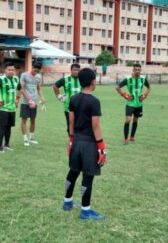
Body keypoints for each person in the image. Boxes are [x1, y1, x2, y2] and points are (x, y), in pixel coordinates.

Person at [62, 68, 107, 220]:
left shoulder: (73, 99)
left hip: (76, 142)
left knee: (73, 171)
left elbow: (71, 122)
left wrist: (70, 140)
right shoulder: (94, 102)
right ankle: (85, 211)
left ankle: (67, 202)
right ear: (93, 82)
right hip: (89, 144)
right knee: (88, 175)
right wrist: (101, 148)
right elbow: (95, 126)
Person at [0, 62, 21, 153]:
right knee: (2, 127)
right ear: (5, 70)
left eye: (13, 70)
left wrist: (17, 99)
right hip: (3, 108)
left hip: (12, 108)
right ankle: (0, 146)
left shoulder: (16, 79)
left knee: (9, 127)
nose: (11, 71)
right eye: (9, 69)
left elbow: (20, 89)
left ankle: (7, 144)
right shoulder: (1, 79)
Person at [115, 64, 151, 144]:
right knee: (128, 120)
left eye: (139, 69)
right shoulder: (128, 79)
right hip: (130, 103)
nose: (137, 71)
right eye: (136, 69)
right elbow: (117, 87)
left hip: (139, 104)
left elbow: (149, 88)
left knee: (135, 120)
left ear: (141, 70)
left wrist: (144, 96)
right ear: (133, 70)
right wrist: (125, 96)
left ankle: (132, 137)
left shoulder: (143, 79)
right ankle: (125, 139)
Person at [20, 62, 45, 146]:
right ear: (32, 67)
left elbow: (38, 89)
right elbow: (22, 89)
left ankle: (31, 137)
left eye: (37, 71)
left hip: (35, 102)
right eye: (35, 70)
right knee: (24, 120)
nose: (35, 72)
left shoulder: (38, 77)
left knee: (33, 119)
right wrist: (29, 100)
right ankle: (25, 139)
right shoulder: (24, 75)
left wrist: (42, 98)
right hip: (25, 102)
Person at [52, 64, 81, 135]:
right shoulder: (65, 79)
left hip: (81, 106)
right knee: (70, 124)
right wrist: (59, 96)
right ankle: (71, 141)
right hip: (68, 106)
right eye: (75, 70)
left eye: (78, 70)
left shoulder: (82, 78)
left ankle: (77, 140)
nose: (76, 72)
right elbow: (55, 86)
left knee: (80, 125)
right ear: (71, 70)